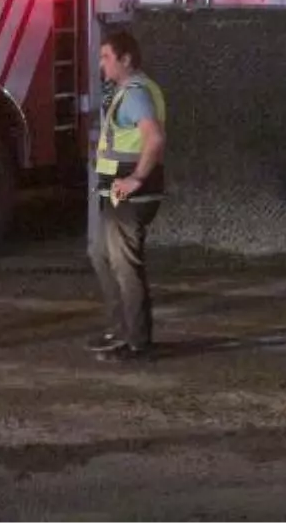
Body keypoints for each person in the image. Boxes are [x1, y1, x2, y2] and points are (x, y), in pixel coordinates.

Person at [87, 30, 167, 362]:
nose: (101, 63)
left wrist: (136, 177)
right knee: (101, 254)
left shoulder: (135, 94)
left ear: (125, 59)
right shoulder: (130, 91)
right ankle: (121, 330)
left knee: (124, 266)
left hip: (131, 197)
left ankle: (136, 342)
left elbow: (155, 138)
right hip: (119, 196)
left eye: (106, 57)